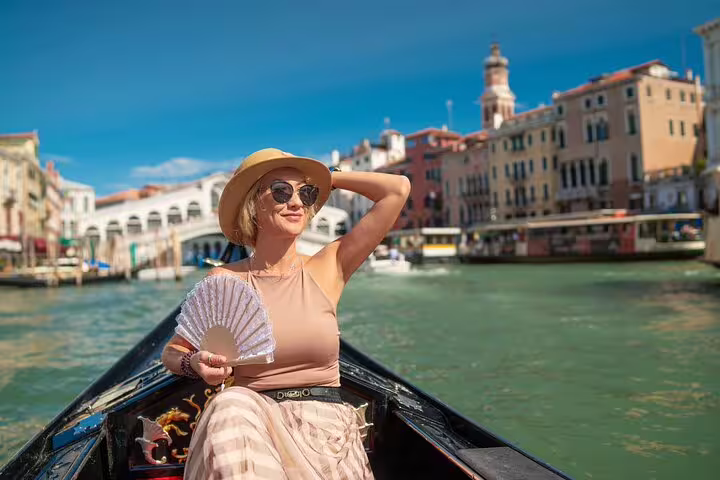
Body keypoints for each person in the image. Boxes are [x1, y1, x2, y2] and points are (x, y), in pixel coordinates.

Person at [161, 148, 410, 479]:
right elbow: (172, 352)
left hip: (325, 431)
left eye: (304, 194)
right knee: (229, 404)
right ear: (254, 206)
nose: (296, 202)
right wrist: (195, 363)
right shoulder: (225, 281)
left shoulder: (329, 266)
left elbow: (397, 190)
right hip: (252, 423)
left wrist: (326, 178)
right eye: (281, 191)